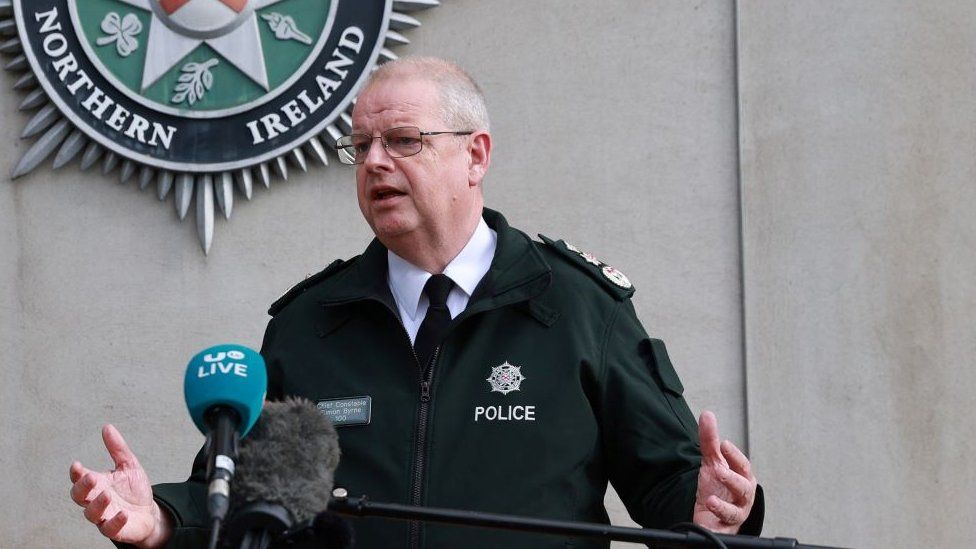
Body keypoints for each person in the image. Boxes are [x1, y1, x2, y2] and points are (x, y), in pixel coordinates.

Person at [69, 57, 762, 548]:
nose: (373, 163)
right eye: (361, 145)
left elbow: (673, 490)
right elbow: (245, 502)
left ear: (476, 155)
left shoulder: (580, 309)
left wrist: (712, 512)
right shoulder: (311, 324)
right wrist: (161, 518)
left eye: (403, 140)